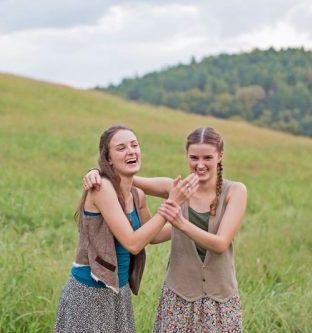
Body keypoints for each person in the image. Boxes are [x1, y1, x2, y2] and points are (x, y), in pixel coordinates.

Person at [83, 127, 247, 332]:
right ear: (186, 156)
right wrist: (94, 172)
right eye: (194, 157)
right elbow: (123, 177)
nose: (200, 164)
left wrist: (181, 223)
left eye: (208, 157)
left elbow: (221, 243)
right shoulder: (174, 188)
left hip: (221, 300)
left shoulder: (235, 191)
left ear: (220, 156)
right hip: (178, 297)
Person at [54, 125, 199, 333]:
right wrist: (171, 205)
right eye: (121, 148)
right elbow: (133, 243)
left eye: (134, 145)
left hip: (119, 291)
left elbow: (154, 234)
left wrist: (190, 228)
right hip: (89, 293)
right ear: (109, 158)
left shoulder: (137, 194)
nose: (131, 151)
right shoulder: (102, 189)